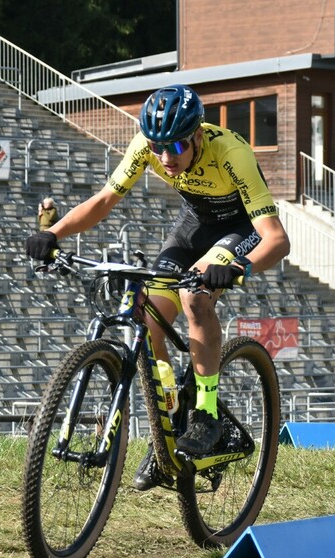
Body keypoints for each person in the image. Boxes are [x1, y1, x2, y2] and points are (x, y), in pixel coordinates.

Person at [25, 84, 290, 490]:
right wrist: (54, 233)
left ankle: (206, 413)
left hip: (240, 227)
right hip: (194, 224)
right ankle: (169, 420)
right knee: (147, 316)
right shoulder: (146, 147)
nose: (166, 158)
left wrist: (240, 266)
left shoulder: (230, 152)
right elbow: (104, 200)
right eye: (158, 147)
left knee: (194, 296)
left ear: (198, 135)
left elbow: (276, 238)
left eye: (177, 146)